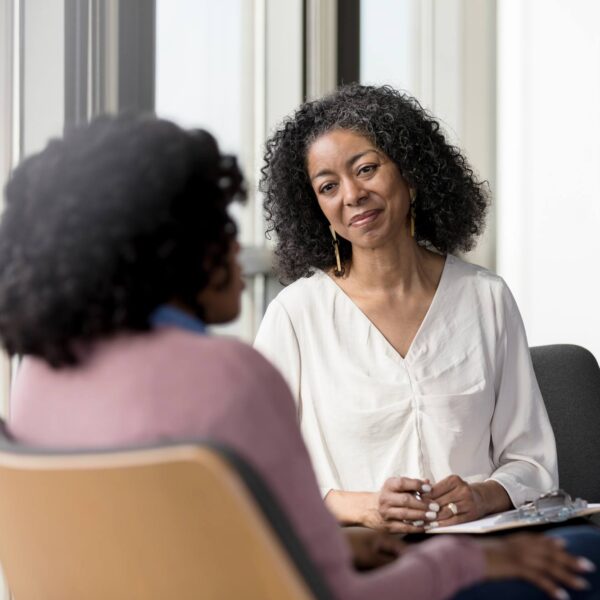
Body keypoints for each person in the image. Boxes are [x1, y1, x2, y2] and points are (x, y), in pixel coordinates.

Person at [0, 114, 598, 600]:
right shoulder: (232, 375)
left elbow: (229, 540)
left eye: (367, 169)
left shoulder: (37, 381)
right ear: (172, 249)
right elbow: (320, 586)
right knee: (584, 558)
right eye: (219, 226)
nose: (240, 246)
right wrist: (462, 562)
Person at [254, 83, 559, 533]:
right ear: (315, 206)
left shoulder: (486, 298)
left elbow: (531, 461)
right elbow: (258, 472)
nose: (352, 194)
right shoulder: (295, 316)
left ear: (411, 175)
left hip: (479, 550)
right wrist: (363, 507)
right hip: (361, 559)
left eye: (367, 168)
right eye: (328, 186)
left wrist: (483, 495)